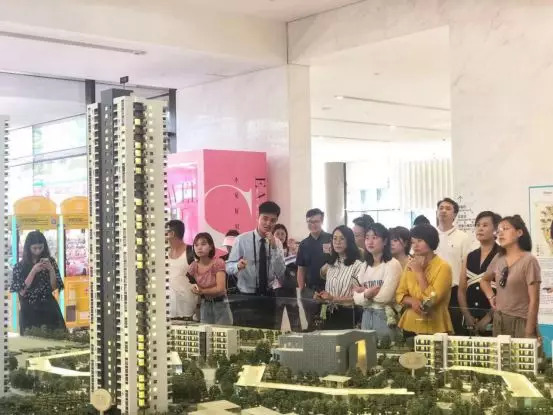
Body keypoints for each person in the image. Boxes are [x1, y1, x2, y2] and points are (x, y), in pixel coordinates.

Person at [226, 201, 286, 328]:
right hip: (246, 296)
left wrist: (274, 248)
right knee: (246, 334)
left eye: (272, 220)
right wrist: (237, 266)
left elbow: (280, 272)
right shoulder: (242, 240)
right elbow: (228, 267)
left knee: (268, 334)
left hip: (269, 296)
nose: (268, 223)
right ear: (258, 217)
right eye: (265, 218)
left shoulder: (277, 243)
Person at [480, 215, 541, 338]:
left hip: (521, 321)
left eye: (505, 228)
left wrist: (529, 331)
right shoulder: (498, 258)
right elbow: (484, 281)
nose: (500, 233)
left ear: (519, 233)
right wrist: (491, 296)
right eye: (498, 230)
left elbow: (534, 301)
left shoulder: (529, 260)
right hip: (499, 320)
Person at [396, 224, 453, 336]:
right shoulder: (410, 264)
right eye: (413, 242)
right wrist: (412, 301)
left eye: (420, 241)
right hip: (410, 324)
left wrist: (419, 273)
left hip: (435, 325)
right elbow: (399, 294)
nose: (415, 245)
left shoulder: (443, 267)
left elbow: (432, 299)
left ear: (430, 241)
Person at [353, 223, 403, 339]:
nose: (370, 242)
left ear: (385, 241)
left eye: (374, 237)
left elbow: (384, 298)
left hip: (385, 317)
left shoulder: (393, 264)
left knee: (386, 349)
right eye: (367, 238)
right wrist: (367, 293)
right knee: (366, 349)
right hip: (366, 316)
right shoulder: (365, 265)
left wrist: (363, 293)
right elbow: (356, 298)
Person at [10, 231, 66, 334]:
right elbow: (22, 291)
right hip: (29, 312)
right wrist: (33, 271)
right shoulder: (19, 267)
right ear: (28, 248)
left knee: (55, 340)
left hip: (49, 309)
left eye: (40, 247)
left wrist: (51, 269)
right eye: (34, 248)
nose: (38, 251)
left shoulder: (50, 262)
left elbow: (54, 287)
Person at [458, 211, 501, 335]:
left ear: (495, 230)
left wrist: (488, 318)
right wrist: (467, 316)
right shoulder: (470, 256)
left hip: (495, 320)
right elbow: (461, 290)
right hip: (470, 321)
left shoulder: (502, 255)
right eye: (478, 225)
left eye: (485, 225)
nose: (480, 228)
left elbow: (506, 293)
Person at [315, 226, 363, 329]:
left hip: (348, 314)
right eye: (335, 238)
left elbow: (360, 298)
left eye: (342, 238)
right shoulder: (330, 264)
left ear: (349, 241)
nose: (337, 242)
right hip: (328, 313)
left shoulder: (358, 265)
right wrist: (321, 298)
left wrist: (334, 298)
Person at [435, 197, 472, 334]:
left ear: (455, 214)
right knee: (435, 333)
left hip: (454, 291)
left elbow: (466, 266)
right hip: (431, 291)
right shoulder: (430, 236)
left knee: (455, 331)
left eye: (448, 208)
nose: (443, 211)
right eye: (441, 208)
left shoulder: (463, 237)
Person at [296, 208, 333, 330]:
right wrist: (302, 291)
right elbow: (301, 269)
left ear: (322, 221)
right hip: (310, 292)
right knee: (312, 324)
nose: (313, 224)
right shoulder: (304, 244)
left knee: (328, 324)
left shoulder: (331, 239)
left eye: (316, 221)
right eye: (310, 222)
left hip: (330, 290)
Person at [188, 233, 233, 325]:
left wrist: (202, 291)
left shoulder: (218, 263)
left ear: (211, 247)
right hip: (204, 304)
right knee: (206, 332)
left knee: (222, 332)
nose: (199, 248)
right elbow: (189, 283)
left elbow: (220, 288)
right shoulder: (193, 266)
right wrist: (192, 287)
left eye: (203, 244)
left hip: (220, 304)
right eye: (196, 245)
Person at [166, 220, 197, 321]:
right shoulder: (163, 252)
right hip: (168, 309)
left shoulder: (192, 252)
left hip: (188, 309)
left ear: (171, 233)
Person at [272, 224, 300, 331]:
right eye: (277, 234)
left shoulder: (291, 250)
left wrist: (295, 251)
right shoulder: (270, 249)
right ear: (273, 235)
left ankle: (298, 338)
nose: (280, 236)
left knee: (295, 319)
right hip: (276, 290)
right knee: (276, 320)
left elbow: (298, 266)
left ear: (286, 235)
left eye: (282, 234)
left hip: (290, 288)